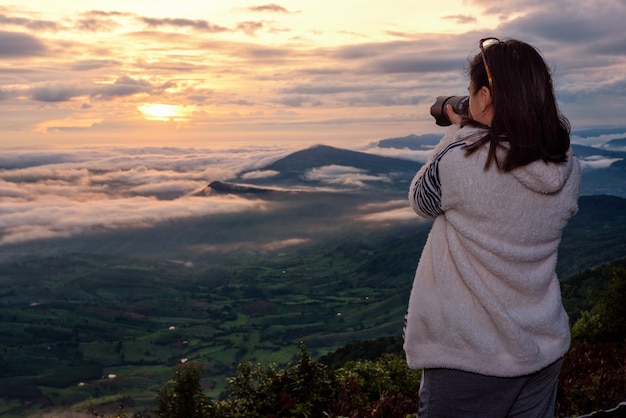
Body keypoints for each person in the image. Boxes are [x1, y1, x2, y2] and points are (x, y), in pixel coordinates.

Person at [403, 38, 581, 417]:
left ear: (484, 97)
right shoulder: (567, 166)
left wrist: (457, 130)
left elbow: (422, 199)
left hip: (470, 358)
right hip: (543, 347)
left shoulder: (462, 160)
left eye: (472, 94)